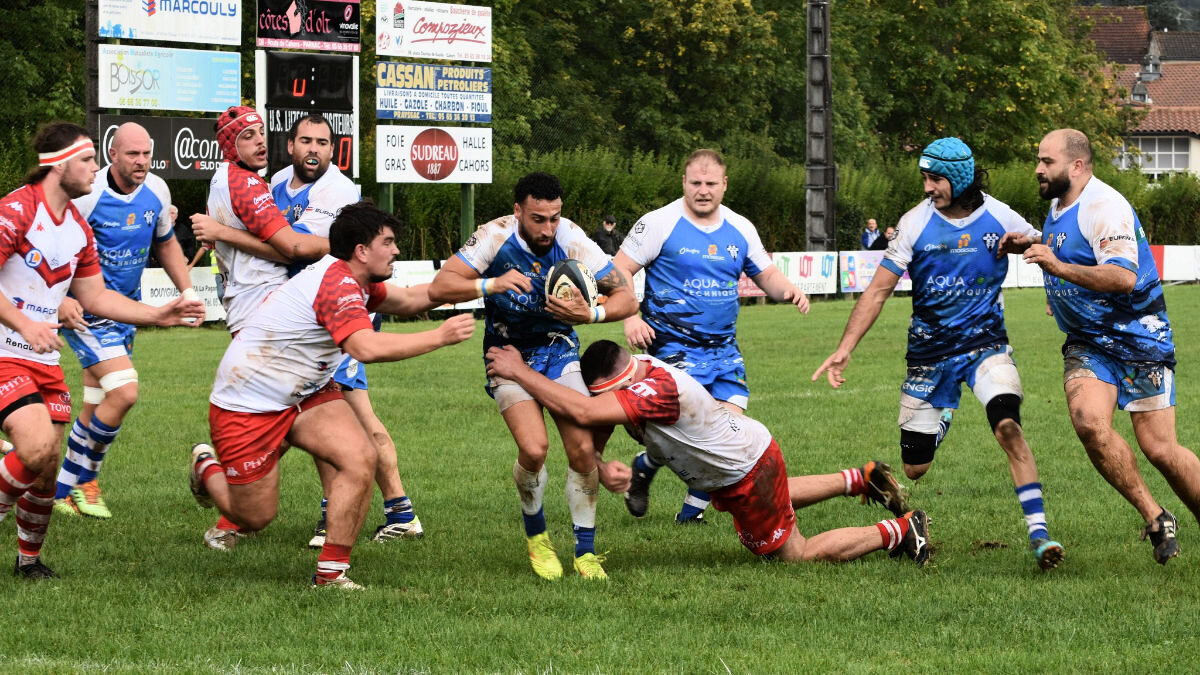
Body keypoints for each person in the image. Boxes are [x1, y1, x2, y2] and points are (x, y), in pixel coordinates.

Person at [188, 202, 474, 589]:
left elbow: (411, 300)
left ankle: (331, 573)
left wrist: (483, 283)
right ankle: (206, 466)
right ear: (361, 251)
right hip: (248, 402)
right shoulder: (337, 283)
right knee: (254, 517)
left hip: (304, 391)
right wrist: (439, 337)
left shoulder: (356, 280)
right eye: (388, 242)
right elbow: (365, 348)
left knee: (360, 458)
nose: (396, 250)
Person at [812, 137, 1065, 571]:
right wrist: (844, 349)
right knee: (915, 468)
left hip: (986, 347)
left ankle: (1039, 535)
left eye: (936, 179)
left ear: (960, 177)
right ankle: (944, 416)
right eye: (925, 178)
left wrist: (1027, 247)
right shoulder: (913, 224)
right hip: (928, 356)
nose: (928, 187)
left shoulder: (1000, 214)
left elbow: (1051, 248)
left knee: (1008, 426)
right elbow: (877, 291)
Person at [486, 339, 930, 566]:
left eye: (611, 398)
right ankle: (861, 477)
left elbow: (582, 408)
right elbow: (593, 420)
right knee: (777, 502)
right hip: (748, 455)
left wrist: (520, 372)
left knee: (793, 553)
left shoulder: (650, 389)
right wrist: (600, 464)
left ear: (621, 383)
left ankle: (899, 531)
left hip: (745, 471)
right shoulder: (635, 370)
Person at [0, 123, 204, 579]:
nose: (96, 168)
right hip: (6, 349)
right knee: (34, 449)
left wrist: (158, 315)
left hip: (45, 358)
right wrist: (27, 322)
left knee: (49, 466)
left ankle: (27, 562)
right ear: (59, 165)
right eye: (88, 159)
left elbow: (95, 299)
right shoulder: (15, 210)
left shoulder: (76, 228)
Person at [429, 172, 638, 580]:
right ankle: (537, 536)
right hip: (507, 354)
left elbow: (627, 296)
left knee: (581, 448)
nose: (547, 228)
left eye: (554, 218)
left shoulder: (574, 239)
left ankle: (586, 552)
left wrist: (590, 314)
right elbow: (441, 287)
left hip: (558, 349)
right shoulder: (494, 236)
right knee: (535, 449)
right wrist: (490, 284)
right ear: (517, 211)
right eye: (538, 218)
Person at [1017, 128, 1200, 565]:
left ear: (1077, 166)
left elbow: (1123, 277)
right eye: (1039, 161)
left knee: (1160, 449)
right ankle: (1156, 517)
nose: (1039, 169)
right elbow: (1066, 255)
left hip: (1139, 337)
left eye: (1047, 161)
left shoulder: (1105, 206)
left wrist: (1057, 268)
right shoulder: (1058, 206)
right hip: (1088, 343)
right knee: (1088, 424)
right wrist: (1039, 264)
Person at [613, 149, 810, 524]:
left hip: (724, 354)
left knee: (723, 437)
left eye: (710, 184)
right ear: (683, 182)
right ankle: (647, 465)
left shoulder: (740, 227)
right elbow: (619, 270)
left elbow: (765, 274)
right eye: (695, 183)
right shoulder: (658, 223)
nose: (703, 191)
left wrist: (788, 290)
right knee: (682, 435)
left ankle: (689, 513)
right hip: (671, 351)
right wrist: (631, 317)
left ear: (724, 185)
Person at [52, 122, 199, 519]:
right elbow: (56, 246)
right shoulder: (87, 195)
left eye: (147, 154)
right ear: (112, 154)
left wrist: (187, 292)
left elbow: (165, 242)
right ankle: (86, 481)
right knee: (124, 391)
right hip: (87, 309)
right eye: (132, 154)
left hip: (125, 310)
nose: (141, 162)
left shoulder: (158, 191)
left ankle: (61, 488)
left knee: (98, 401)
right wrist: (61, 300)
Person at [190, 106, 328, 336]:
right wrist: (341, 247)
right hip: (262, 300)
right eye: (248, 136)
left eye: (261, 132)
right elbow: (291, 248)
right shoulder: (245, 184)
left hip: (245, 302)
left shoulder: (221, 178)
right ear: (230, 146)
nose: (260, 141)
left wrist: (221, 233)